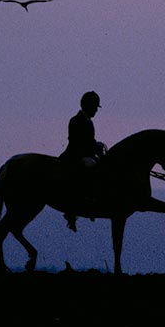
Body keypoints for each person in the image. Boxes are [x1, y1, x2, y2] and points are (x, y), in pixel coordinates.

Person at [57, 91, 106, 231]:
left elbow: (89, 140)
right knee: (90, 166)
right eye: (95, 107)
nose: (96, 110)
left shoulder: (88, 121)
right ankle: (85, 199)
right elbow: (76, 142)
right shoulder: (76, 120)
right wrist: (94, 149)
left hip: (85, 154)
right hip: (75, 156)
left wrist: (97, 146)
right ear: (88, 106)